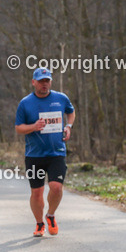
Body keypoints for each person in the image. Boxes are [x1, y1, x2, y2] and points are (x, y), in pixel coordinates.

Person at [15, 67, 75, 237]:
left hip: (57, 153)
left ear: (51, 82)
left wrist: (68, 126)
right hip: (34, 155)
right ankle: (39, 223)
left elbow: (71, 112)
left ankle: (50, 215)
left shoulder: (61, 98)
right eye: (41, 81)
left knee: (56, 187)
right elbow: (19, 129)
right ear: (33, 82)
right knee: (37, 192)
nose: (44, 84)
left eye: (47, 80)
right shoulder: (25, 103)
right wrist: (34, 127)